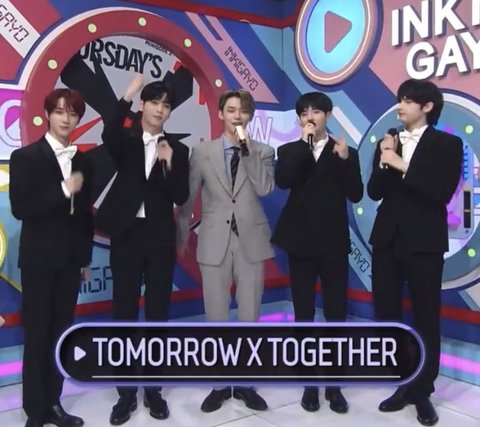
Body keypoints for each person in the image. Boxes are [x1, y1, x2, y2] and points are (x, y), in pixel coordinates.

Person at [367, 79, 463, 426]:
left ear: (427, 106)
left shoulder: (448, 144)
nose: (399, 106)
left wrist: (401, 163)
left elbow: (441, 191)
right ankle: (403, 380)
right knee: (387, 313)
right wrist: (385, 159)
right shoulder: (389, 141)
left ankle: (422, 390)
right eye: (399, 99)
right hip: (387, 239)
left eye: (407, 100)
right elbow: (374, 191)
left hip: (424, 241)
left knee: (425, 316)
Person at [95, 74, 189, 425]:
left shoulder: (178, 150)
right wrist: (127, 96)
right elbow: (108, 133)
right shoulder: (127, 140)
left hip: (160, 238)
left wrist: (169, 162)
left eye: (166, 105)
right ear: (144, 106)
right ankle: (125, 392)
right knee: (123, 311)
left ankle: (153, 388)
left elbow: (181, 195)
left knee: (157, 313)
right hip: (127, 235)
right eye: (155, 103)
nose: (161, 110)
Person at [177, 89, 275, 413]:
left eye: (243, 111)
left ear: (250, 117)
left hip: (251, 241)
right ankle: (219, 383)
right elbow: (189, 196)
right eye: (231, 110)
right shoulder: (201, 152)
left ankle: (245, 381)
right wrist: (181, 236)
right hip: (213, 240)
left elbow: (264, 187)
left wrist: (247, 151)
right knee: (216, 314)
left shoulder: (263, 151)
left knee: (250, 315)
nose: (237, 116)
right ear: (220, 114)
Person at [271, 91, 363, 414]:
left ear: (328, 115)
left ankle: (334, 385)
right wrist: (303, 145)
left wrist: (345, 160)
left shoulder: (344, 151)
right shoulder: (289, 149)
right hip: (301, 242)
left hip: (333, 243)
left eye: (316, 112)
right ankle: (309, 382)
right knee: (304, 312)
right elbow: (284, 181)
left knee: (336, 312)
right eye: (304, 113)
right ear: (299, 120)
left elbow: (356, 193)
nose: (310, 117)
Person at [9, 88, 93, 427]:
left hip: (70, 260)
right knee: (37, 334)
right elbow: (21, 208)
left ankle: (54, 403)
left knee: (61, 334)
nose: (66, 119)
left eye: (72, 113)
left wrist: (85, 258)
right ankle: (35, 410)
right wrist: (62, 190)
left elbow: (84, 215)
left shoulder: (83, 160)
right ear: (47, 114)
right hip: (39, 260)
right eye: (59, 111)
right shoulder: (25, 157)